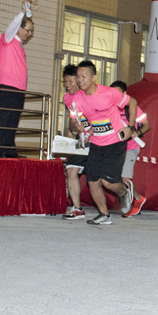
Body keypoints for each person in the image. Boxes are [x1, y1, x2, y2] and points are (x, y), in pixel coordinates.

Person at [70, 61, 136, 225]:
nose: (80, 80)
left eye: (84, 76)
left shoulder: (109, 93)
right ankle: (104, 215)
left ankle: (124, 192)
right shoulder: (77, 98)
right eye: (78, 76)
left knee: (109, 183)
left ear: (94, 77)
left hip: (115, 142)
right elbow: (72, 123)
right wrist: (77, 126)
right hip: (96, 143)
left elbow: (132, 103)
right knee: (92, 182)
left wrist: (130, 127)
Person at [0, 0, 33, 158]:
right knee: (1, 119)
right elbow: (12, 26)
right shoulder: (7, 39)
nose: (29, 34)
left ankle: (9, 151)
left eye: (31, 32)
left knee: (13, 121)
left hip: (19, 89)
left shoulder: (20, 46)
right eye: (27, 30)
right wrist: (22, 13)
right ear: (19, 28)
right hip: (6, 86)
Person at [111, 80, 151, 218]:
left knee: (125, 177)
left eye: (118, 93)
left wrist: (137, 132)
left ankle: (127, 206)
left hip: (131, 147)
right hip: (116, 148)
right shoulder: (109, 109)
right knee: (117, 179)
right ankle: (138, 198)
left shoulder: (133, 108)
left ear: (125, 94)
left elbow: (147, 125)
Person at [61, 64, 89, 220]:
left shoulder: (88, 95)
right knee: (71, 170)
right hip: (81, 141)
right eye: (65, 81)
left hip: (98, 140)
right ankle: (77, 208)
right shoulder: (67, 98)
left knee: (104, 180)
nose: (67, 85)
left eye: (70, 81)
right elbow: (72, 122)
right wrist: (68, 139)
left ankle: (131, 196)